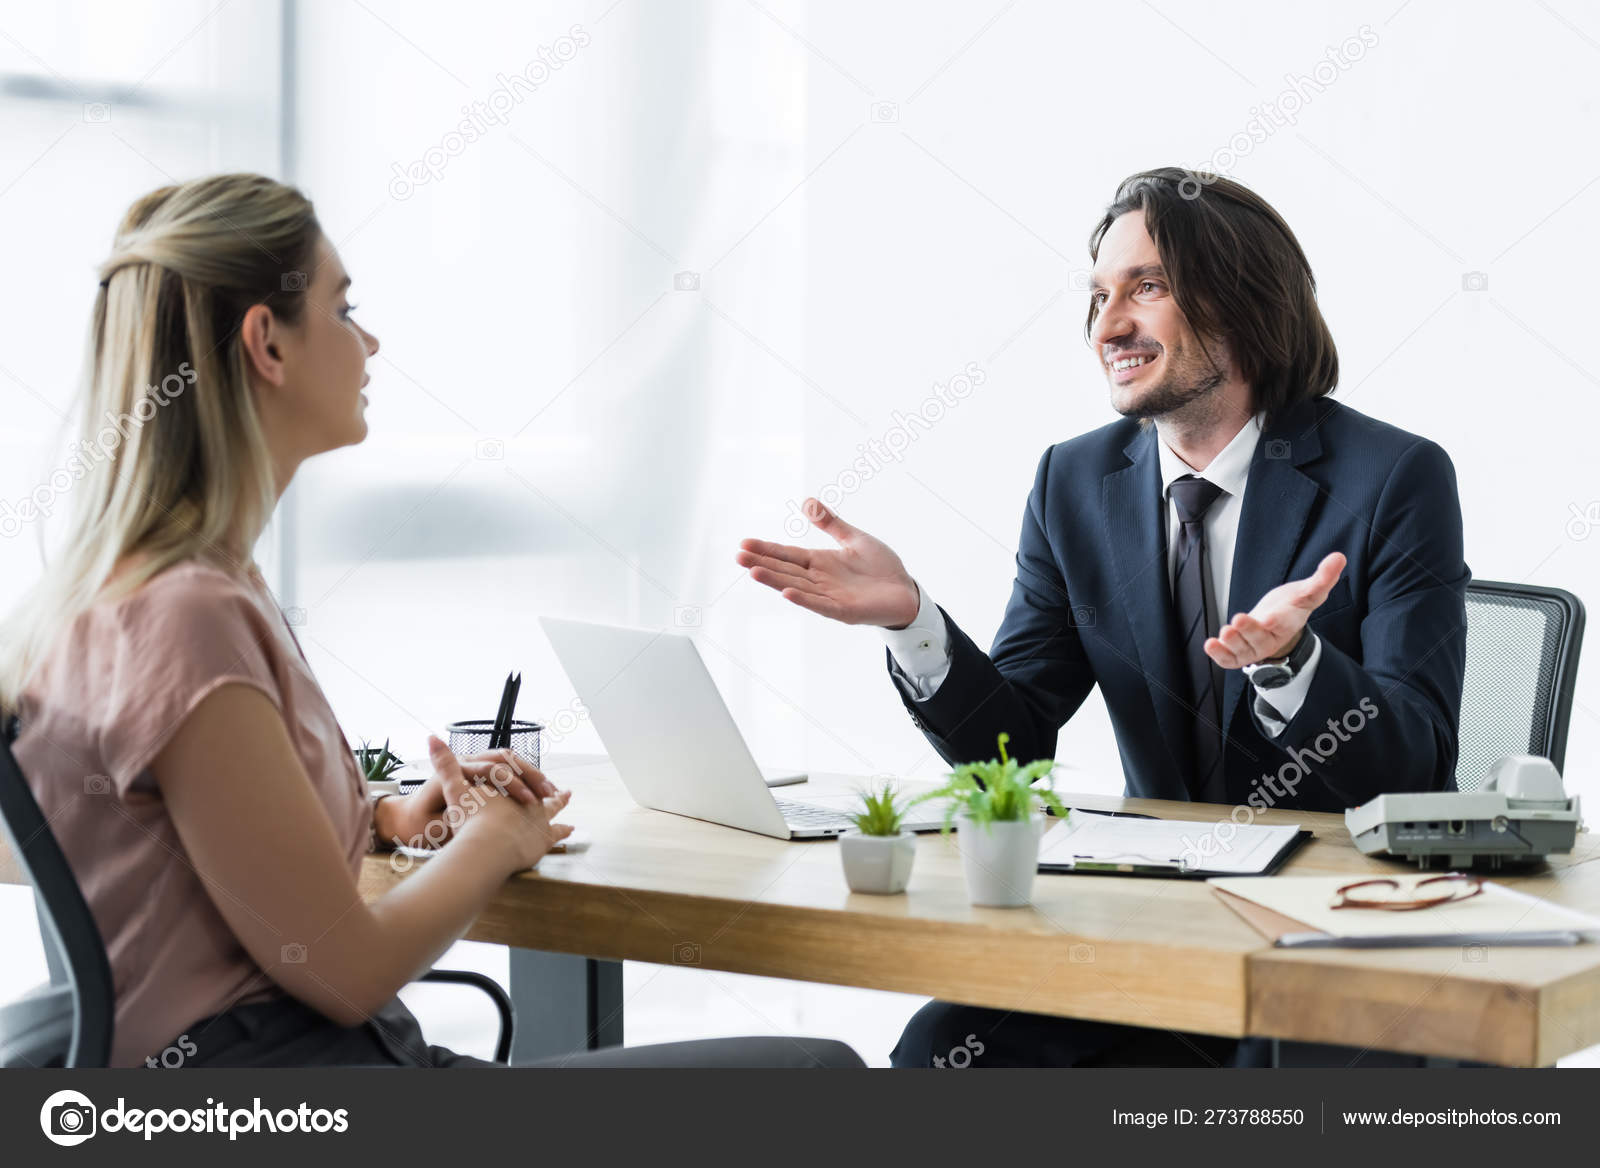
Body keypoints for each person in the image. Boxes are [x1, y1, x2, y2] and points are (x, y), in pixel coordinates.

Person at [0, 174, 860, 1071]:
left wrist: (390, 817)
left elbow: (189, 837)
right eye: (344, 309)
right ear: (269, 344)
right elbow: (343, 972)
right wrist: (496, 839)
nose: (370, 342)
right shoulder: (192, 617)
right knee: (820, 1074)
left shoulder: (128, 594)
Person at [737, 167, 1468, 1067]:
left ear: (1244, 303)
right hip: (1149, 929)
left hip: (1323, 943)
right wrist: (913, 622)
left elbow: (1421, 765)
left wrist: (1294, 665)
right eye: (1097, 296)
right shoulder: (1074, 482)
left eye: (1146, 287)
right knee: (944, 1048)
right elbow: (1013, 746)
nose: (1109, 326)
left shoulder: (1393, 478)